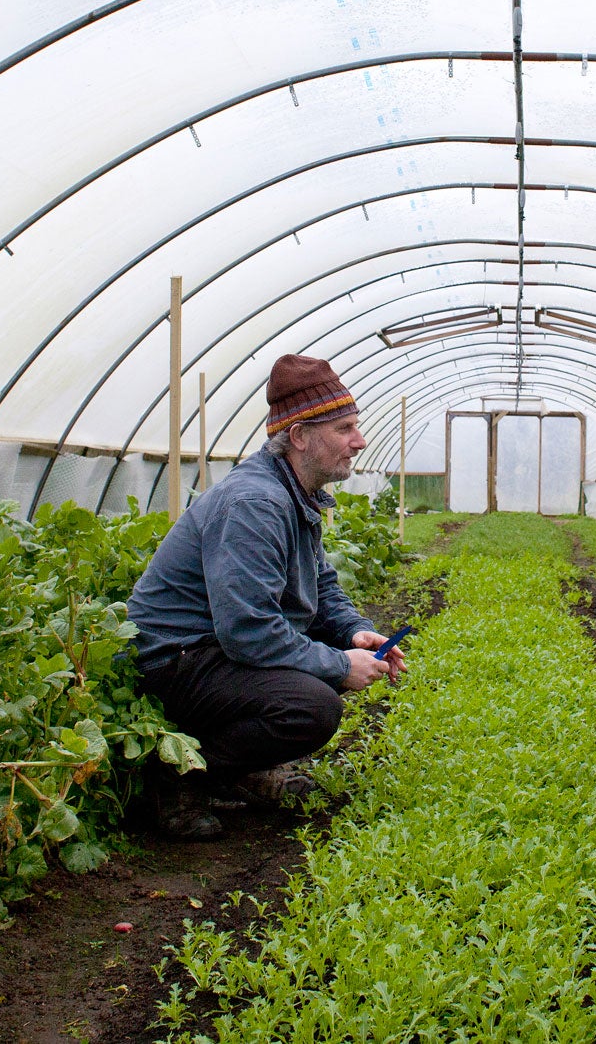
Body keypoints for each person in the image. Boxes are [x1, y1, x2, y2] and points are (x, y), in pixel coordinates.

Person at [127, 354, 405, 838]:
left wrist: (353, 632)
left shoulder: (294, 491)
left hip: (212, 650)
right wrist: (339, 665)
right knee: (311, 706)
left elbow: (320, 585)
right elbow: (248, 630)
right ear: (299, 437)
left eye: (355, 426)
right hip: (174, 659)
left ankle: (240, 771)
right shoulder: (256, 503)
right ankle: (171, 780)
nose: (359, 441)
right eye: (344, 429)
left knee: (316, 678)